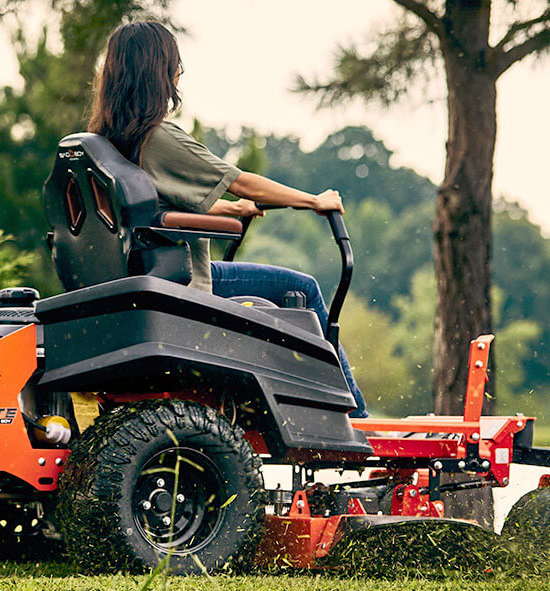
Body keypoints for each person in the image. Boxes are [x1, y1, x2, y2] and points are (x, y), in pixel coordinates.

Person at [87, 22, 367, 418]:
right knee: (301, 288)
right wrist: (314, 201)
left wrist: (231, 210)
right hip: (181, 286)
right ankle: (353, 417)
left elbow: (151, 209)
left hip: (145, 283)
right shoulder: (159, 137)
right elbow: (242, 181)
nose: (179, 74)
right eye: (175, 66)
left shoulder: (107, 140)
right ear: (159, 73)